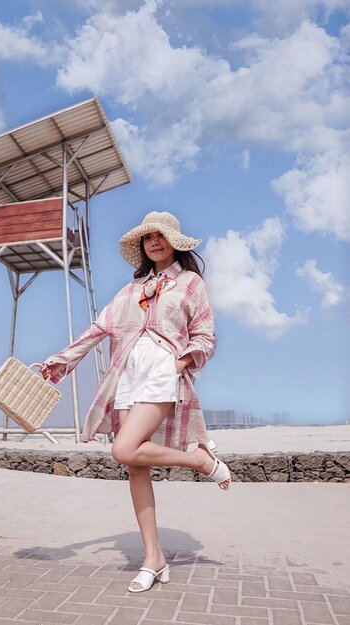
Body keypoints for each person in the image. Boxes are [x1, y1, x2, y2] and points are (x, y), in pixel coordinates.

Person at [40, 211, 231, 593]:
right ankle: (153, 557)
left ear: (174, 241)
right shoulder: (132, 289)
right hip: (128, 376)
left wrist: (178, 363)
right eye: (148, 238)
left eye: (161, 236)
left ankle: (199, 460)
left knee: (122, 449)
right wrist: (62, 359)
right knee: (134, 465)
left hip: (163, 372)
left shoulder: (190, 283)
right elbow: (99, 327)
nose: (155, 242)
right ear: (142, 246)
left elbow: (206, 335)